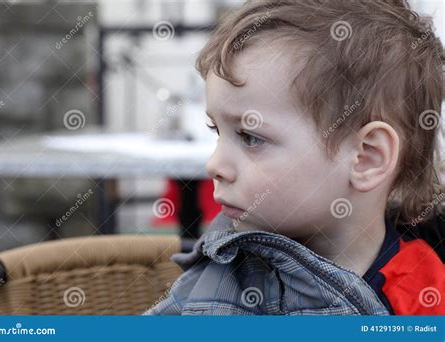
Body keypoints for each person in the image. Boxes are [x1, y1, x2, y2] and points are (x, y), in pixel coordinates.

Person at [144, 0, 444, 315]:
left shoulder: (424, 295)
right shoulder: (217, 270)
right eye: (218, 131)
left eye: (250, 138)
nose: (214, 166)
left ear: (366, 158)